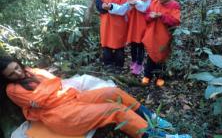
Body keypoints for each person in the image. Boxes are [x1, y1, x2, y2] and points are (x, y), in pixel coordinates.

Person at [1, 56, 191, 138]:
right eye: (11, 73)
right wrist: (49, 90)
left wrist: (46, 93)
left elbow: (56, 81)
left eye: (16, 67)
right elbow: (49, 90)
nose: (17, 73)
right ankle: (159, 136)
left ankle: (153, 118)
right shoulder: (12, 90)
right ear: (6, 78)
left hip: (72, 98)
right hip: (61, 115)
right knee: (114, 110)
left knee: (112, 93)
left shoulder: (31, 70)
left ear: (19, 63)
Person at [141, 0, 180, 86]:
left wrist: (162, 16)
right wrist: (151, 17)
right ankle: (147, 75)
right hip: (153, 36)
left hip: (164, 37)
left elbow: (175, 21)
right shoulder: (154, 2)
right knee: (150, 57)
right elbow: (146, 16)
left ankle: (160, 77)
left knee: (162, 58)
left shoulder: (174, 5)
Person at [96, 0, 128, 73]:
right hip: (106, 24)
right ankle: (108, 65)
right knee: (106, 47)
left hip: (119, 26)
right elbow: (98, 4)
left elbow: (124, 9)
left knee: (119, 48)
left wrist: (110, 7)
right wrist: (102, 7)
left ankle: (119, 67)